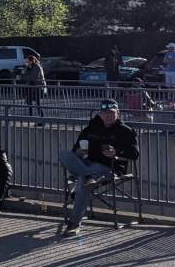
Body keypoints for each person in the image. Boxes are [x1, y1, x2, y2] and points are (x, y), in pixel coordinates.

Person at [57, 99, 139, 235]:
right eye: (105, 113)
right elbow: (75, 149)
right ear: (100, 114)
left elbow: (135, 154)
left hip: (108, 167)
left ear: (118, 113)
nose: (108, 116)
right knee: (63, 153)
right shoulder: (91, 128)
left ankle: (74, 224)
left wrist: (116, 152)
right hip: (86, 163)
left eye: (112, 113)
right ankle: (88, 176)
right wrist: (78, 152)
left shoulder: (126, 131)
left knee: (83, 181)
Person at [21, 52, 47, 122]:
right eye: (26, 61)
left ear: (31, 61)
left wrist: (25, 74)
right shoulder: (30, 67)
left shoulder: (37, 67)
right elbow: (24, 77)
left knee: (38, 104)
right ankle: (31, 118)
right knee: (29, 102)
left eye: (27, 61)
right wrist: (25, 72)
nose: (26, 63)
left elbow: (32, 77)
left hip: (38, 88)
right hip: (31, 87)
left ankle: (42, 120)